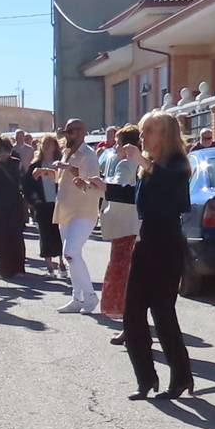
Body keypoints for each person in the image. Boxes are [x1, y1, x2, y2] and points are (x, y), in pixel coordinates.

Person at [124, 111, 194, 399]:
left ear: (164, 134)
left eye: (147, 132)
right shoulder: (148, 168)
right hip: (146, 242)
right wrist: (104, 188)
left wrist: (145, 164)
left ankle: (181, 378)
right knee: (131, 314)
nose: (141, 139)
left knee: (163, 313)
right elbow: (140, 199)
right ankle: (146, 379)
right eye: (141, 133)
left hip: (167, 244)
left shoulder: (176, 164)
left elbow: (178, 197)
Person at [48, 118, 104, 314]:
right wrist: (49, 172)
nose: (68, 135)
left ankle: (89, 296)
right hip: (65, 210)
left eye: (72, 131)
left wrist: (70, 169)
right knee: (70, 256)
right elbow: (61, 179)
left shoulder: (88, 156)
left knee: (71, 252)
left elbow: (91, 183)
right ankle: (77, 297)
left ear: (82, 132)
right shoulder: (66, 153)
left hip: (83, 211)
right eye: (66, 131)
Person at [99, 126, 144, 343]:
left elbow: (123, 191)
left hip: (126, 229)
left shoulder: (126, 164)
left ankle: (131, 328)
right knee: (131, 279)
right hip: (133, 228)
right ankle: (132, 327)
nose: (114, 146)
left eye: (117, 142)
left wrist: (101, 186)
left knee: (124, 279)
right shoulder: (136, 164)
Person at [0, 143, 29, 278]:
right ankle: (2, 269)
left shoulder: (17, 164)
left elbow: (24, 182)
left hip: (14, 204)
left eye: (6, 150)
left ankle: (18, 269)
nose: (3, 153)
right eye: (0, 150)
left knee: (15, 236)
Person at [29, 134, 64, 277]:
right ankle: (49, 267)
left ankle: (62, 264)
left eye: (51, 144)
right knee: (45, 235)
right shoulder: (35, 165)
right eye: (45, 144)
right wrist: (35, 200)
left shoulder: (60, 163)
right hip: (43, 205)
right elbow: (27, 185)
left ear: (56, 146)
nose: (48, 147)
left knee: (61, 235)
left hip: (59, 204)